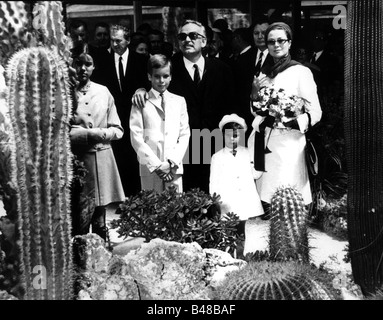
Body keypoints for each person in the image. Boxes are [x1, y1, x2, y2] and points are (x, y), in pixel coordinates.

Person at [132, 20, 234, 193]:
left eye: (193, 35)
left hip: (215, 141)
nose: (187, 39)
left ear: (204, 41)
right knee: (185, 200)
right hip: (181, 146)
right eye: (182, 36)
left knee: (215, 196)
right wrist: (140, 90)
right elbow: (152, 84)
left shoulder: (222, 69)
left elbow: (232, 106)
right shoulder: (169, 68)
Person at [248, 22, 322, 219]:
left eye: (281, 40)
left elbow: (316, 112)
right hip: (267, 142)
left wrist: (293, 121)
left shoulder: (301, 72)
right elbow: (255, 111)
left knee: (291, 199)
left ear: (289, 43)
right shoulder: (262, 73)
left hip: (291, 142)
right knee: (269, 197)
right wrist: (255, 95)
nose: (276, 45)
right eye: (271, 41)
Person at [69, 53, 125, 241]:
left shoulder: (103, 91)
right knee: (80, 217)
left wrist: (101, 133)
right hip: (79, 162)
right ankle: (79, 258)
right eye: (78, 63)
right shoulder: (64, 93)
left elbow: (118, 129)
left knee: (100, 218)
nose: (83, 68)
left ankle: (102, 258)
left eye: (88, 64)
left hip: (102, 160)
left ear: (94, 67)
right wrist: (85, 134)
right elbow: (58, 131)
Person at [96, 24, 150, 197]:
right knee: (117, 156)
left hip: (135, 115)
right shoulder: (102, 60)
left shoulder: (141, 60)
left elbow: (148, 84)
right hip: (112, 117)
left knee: (135, 156)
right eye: (112, 41)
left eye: (118, 40)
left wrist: (142, 88)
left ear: (127, 41)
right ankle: (121, 198)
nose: (115, 44)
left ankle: (137, 196)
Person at [130, 54, 190, 193]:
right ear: (149, 76)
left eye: (165, 76)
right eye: (157, 76)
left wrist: (171, 162)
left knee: (175, 210)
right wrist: (157, 165)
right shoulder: (140, 102)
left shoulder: (179, 101)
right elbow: (136, 137)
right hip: (150, 167)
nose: (161, 80)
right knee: (152, 209)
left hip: (173, 167)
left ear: (171, 76)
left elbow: (184, 134)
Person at [210, 114, 264, 253]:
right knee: (227, 231)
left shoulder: (248, 153)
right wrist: (216, 201)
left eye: (236, 135)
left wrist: (260, 158)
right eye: (228, 135)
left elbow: (256, 174)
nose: (232, 139)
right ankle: (227, 256)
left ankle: (240, 256)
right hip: (227, 200)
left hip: (244, 199)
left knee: (241, 231)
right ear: (223, 135)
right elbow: (213, 181)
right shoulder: (217, 156)